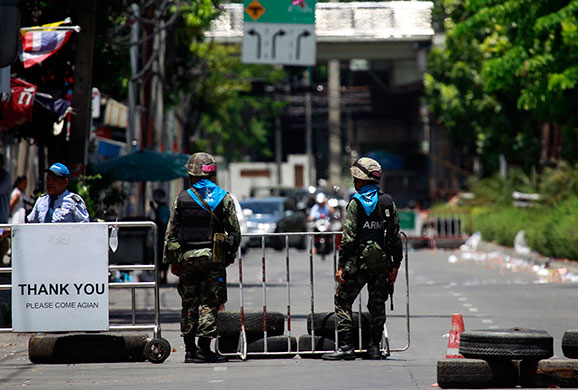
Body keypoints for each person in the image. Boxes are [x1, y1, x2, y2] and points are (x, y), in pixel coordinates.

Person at [322, 157, 403, 361]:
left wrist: (341, 267)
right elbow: (395, 237)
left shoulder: (356, 203)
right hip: (382, 263)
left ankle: (347, 346)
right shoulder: (387, 202)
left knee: (342, 300)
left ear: (360, 179)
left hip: (358, 263)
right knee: (377, 304)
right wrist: (395, 265)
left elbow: (348, 239)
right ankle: (374, 348)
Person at [164, 152, 240, 364]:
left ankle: (189, 351)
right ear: (212, 174)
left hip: (187, 258)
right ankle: (204, 350)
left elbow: (171, 233)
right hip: (212, 259)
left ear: (191, 174)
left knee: (189, 303)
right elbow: (235, 232)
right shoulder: (223, 197)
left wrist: (174, 261)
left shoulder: (181, 198)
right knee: (209, 302)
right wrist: (229, 257)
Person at [150, 188, 170, 284]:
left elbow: (161, 222)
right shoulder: (161, 207)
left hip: (163, 236)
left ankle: (163, 277)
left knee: (161, 257)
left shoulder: (162, 208)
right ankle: (161, 277)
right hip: (162, 236)